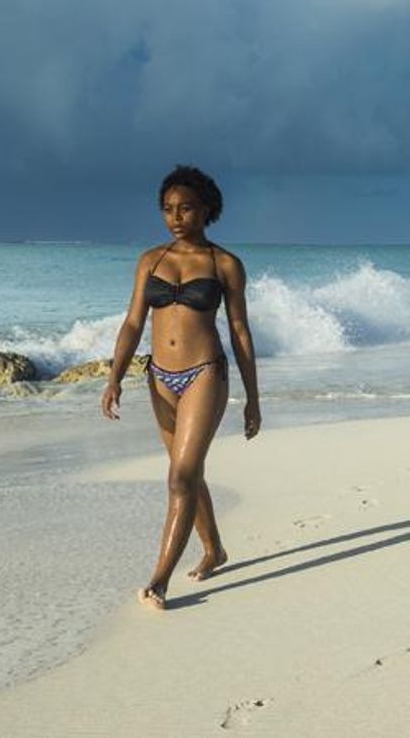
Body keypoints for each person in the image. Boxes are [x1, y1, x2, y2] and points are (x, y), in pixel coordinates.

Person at [101, 164, 261, 611]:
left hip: (204, 373)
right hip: (159, 377)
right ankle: (214, 550)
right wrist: (114, 377)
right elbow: (134, 321)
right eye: (168, 209)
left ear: (206, 210)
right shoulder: (150, 260)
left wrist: (253, 399)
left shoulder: (224, 264)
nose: (175, 217)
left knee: (180, 477)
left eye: (186, 208)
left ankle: (159, 581)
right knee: (188, 474)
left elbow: (241, 333)